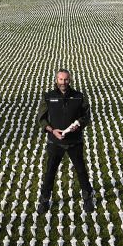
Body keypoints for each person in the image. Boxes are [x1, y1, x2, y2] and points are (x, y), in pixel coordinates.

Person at [37, 69, 94, 214]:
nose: (63, 82)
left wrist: (78, 125)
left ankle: (87, 198)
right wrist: (51, 130)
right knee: (50, 171)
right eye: (61, 79)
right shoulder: (48, 97)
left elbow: (86, 115)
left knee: (81, 171)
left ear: (70, 80)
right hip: (55, 142)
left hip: (75, 141)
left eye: (66, 79)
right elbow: (41, 119)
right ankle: (44, 200)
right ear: (56, 80)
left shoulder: (79, 96)